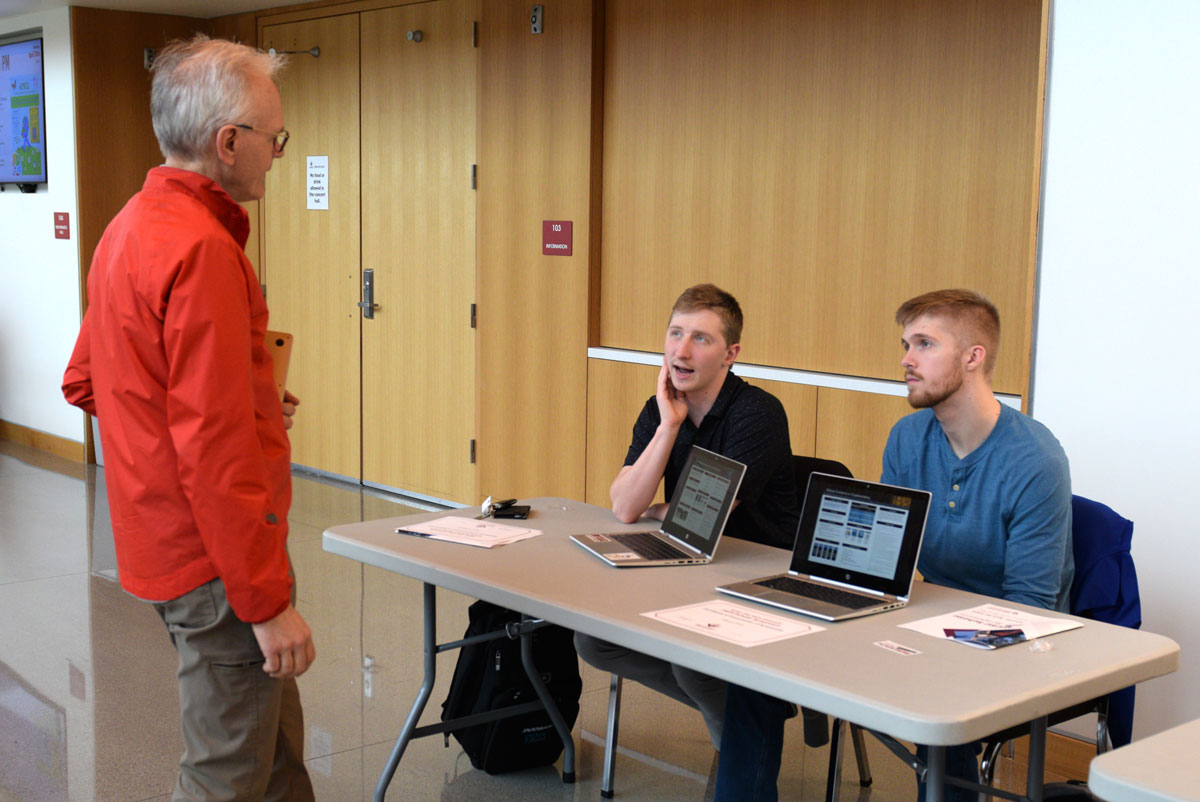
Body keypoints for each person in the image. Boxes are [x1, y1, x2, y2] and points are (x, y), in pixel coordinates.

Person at [61, 35, 316, 802]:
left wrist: (233, 400)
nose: (277, 152)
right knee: (225, 774)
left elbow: (87, 380)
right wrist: (266, 604)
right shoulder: (202, 250)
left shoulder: (129, 230)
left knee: (275, 760)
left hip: (168, 546)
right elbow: (214, 449)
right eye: (275, 139)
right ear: (228, 143)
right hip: (216, 563)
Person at [714, 288, 1073, 802]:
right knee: (755, 666)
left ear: (974, 357)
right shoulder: (908, 436)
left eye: (925, 344)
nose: (906, 359)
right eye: (906, 344)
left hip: (1005, 638)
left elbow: (1030, 609)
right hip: (921, 617)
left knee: (940, 698)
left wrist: (925, 644)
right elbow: (884, 563)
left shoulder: (1035, 460)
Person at [574, 283, 800, 749]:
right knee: (593, 642)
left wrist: (659, 510)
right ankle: (746, 713)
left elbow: (705, 517)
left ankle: (740, 734)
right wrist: (669, 426)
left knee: (691, 664)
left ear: (730, 353)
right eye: (675, 333)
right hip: (690, 564)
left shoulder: (757, 413)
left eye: (701, 338)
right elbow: (623, 506)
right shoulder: (660, 410)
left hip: (757, 572)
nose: (681, 350)